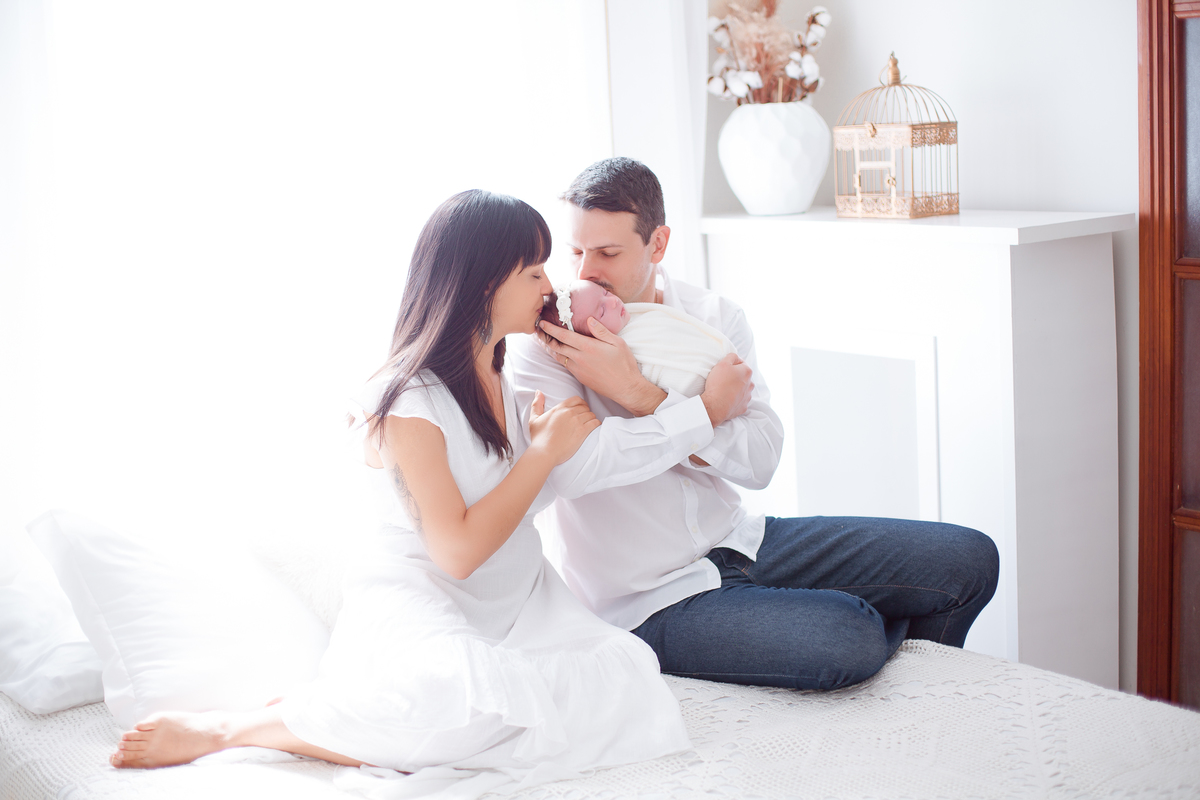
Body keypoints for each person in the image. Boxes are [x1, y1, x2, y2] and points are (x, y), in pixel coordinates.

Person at [108, 190, 690, 797]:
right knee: (455, 700)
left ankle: (347, 716)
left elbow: (531, 493)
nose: (550, 286)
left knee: (624, 676)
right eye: (534, 272)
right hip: (425, 603)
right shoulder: (406, 403)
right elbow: (456, 553)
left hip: (519, 601)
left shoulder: (503, 373)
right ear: (484, 283)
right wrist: (541, 455)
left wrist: (664, 411)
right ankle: (237, 729)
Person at [507, 157, 1000, 692]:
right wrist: (705, 411)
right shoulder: (550, 342)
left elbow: (761, 458)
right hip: (645, 600)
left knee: (967, 560)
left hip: (741, 542)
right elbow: (578, 470)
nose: (585, 272)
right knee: (848, 632)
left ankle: (906, 685)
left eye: (607, 253)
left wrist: (641, 396)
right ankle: (857, 647)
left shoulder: (712, 317)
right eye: (575, 251)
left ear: (658, 244)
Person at [541, 278, 736, 397]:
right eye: (601, 311)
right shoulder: (620, 355)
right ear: (588, 341)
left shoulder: (638, 317)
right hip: (695, 381)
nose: (613, 302)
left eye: (605, 293)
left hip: (722, 365)